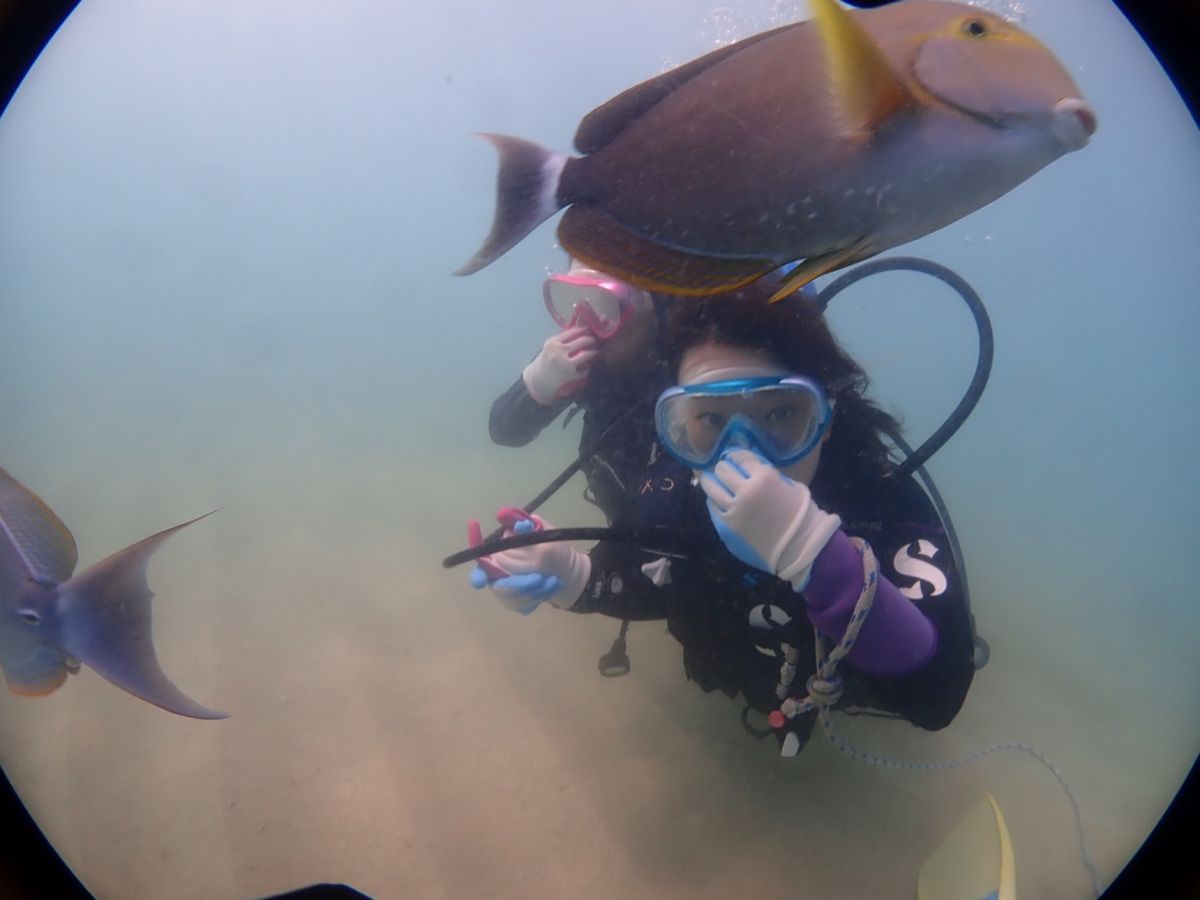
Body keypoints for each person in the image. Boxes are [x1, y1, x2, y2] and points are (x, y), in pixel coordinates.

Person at [471, 285, 975, 756]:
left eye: (780, 414)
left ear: (825, 416)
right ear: (678, 424)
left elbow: (938, 696)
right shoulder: (675, 492)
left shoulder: (881, 502)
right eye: (711, 419)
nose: (743, 453)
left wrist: (818, 555)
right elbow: (639, 581)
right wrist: (567, 573)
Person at [487, 258, 673, 527]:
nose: (585, 324)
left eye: (605, 304)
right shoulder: (581, 363)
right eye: (572, 300)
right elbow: (504, 430)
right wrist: (539, 383)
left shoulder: (697, 360)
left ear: (656, 304)